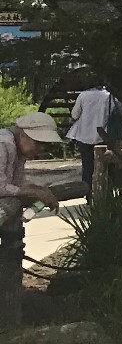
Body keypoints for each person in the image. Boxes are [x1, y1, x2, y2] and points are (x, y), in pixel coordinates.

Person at [1, 111, 64, 329]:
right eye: (37, 142)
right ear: (24, 135)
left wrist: (34, 191)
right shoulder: (4, 145)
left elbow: (17, 183)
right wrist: (34, 193)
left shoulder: (17, 151)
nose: (40, 149)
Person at [67, 81, 117, 192]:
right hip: (105, 136)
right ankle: (108, 192)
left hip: (85, 135)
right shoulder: (109, 96)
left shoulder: (83, 95)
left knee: (88, 167)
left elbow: (75, 115)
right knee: (108, 166)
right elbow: (118, 112)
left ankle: (88, 193)